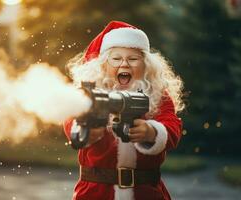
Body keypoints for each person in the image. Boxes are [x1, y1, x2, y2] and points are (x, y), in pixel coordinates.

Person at [63, 21, 185, 200]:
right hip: (95, 193)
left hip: (145, 192)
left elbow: (172, 126)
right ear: (104, 64)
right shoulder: (90, 93)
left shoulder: (158, 94)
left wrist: (151, 132)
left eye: (133, 59)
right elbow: (70, 119)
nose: (125, 64)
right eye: (116, 58)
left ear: (146, 65)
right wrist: (85, 131)